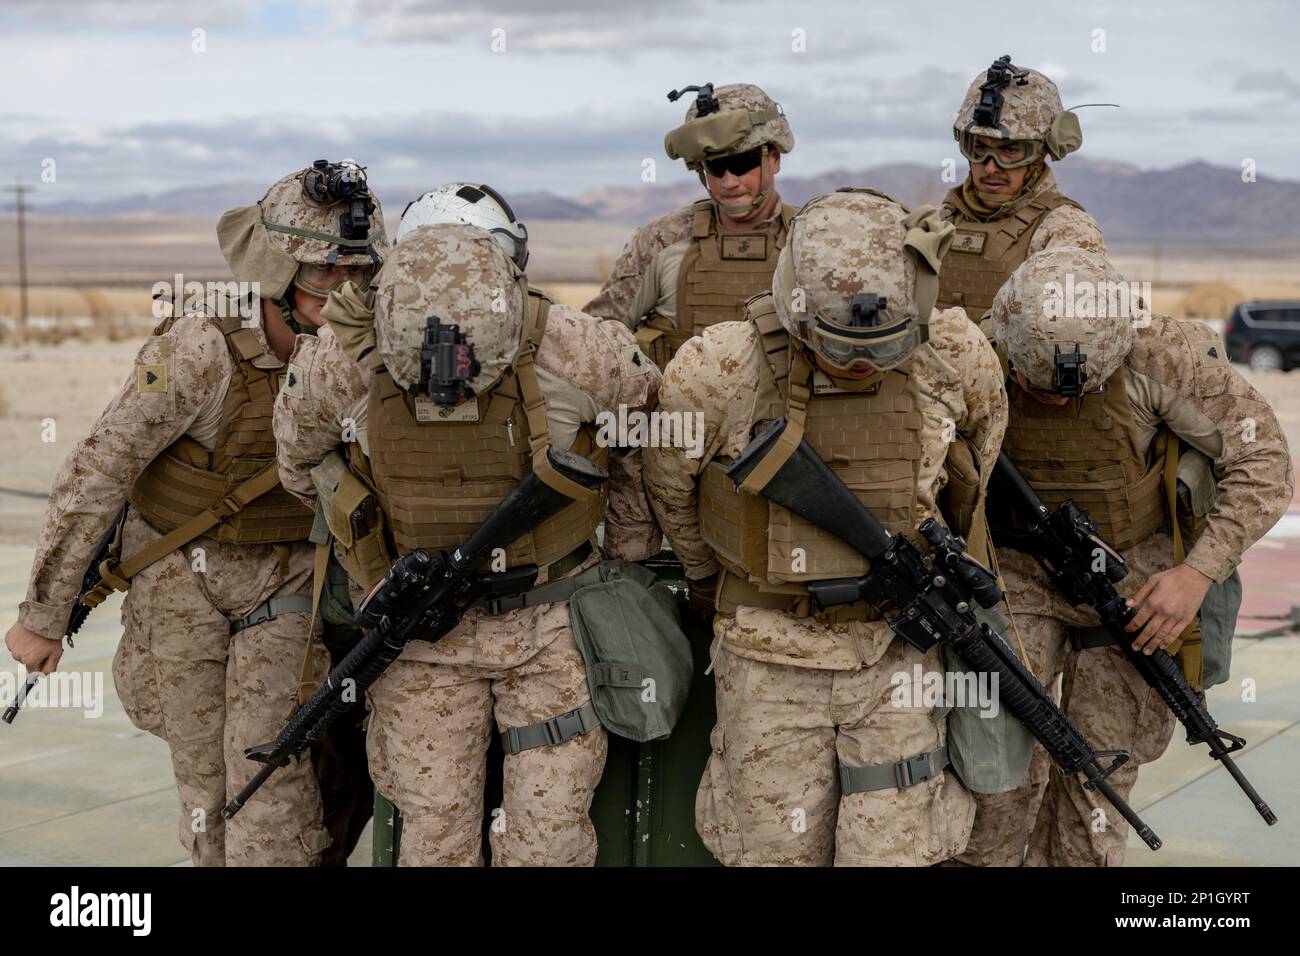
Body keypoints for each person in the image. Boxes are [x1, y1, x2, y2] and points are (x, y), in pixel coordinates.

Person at [4, 160, 388, 865]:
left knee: (271, 779)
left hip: (285, 579)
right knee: (206, 784)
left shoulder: (360, 352)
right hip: (182, 578)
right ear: (276, 270)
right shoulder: (198, 348)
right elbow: (97, 470)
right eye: (325, 273)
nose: (346, 290)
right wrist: (43, 616)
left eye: (361, 272)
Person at [643, 188, 1008, 865]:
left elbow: (976, 466)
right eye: (840, 350)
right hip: (769, 661)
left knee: (892, 854)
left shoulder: (953, 349)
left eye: (879, 350)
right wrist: (706, 575)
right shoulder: (719, 365)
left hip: (898, 654)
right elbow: (669, 486)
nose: (860, 366)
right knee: (773, 851)